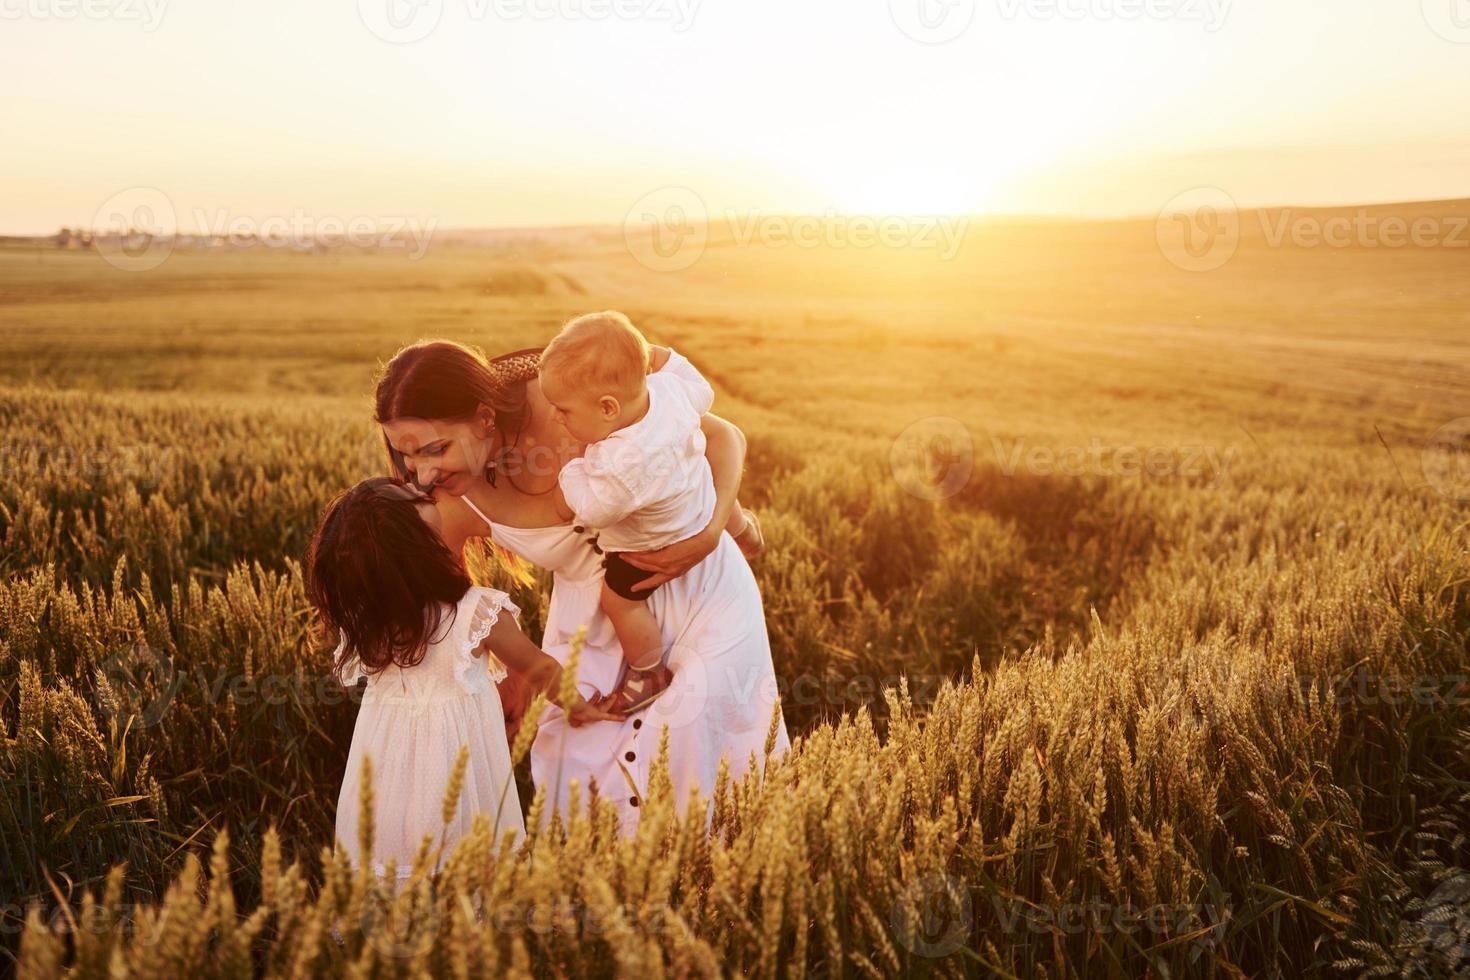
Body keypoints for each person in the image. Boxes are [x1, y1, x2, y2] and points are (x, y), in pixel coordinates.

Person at [374, 338, 788, 836]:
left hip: (702, 591)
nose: (422, 472)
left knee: (708, 773)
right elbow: (456, 605)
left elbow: (722, 437)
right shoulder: (446, 500)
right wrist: (522, 669)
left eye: (436, 449)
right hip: (588, 629)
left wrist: (713, 531)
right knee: (585, 791)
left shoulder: (570, 391)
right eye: (407, 455)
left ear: (485, 417)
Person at [306, 477, 617, 880]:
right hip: (457, 767)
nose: (429, 492)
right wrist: (582, 706)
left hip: (385, 770)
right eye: (418, 499)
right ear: (416, 541)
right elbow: (538, 667)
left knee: (393, 850)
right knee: (461, 852)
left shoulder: (370, 625)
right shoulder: (474, 612)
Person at [538, 310, 759, 714]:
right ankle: (743, 531)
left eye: (563, 410)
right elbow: (694, 380)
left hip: (658, 542)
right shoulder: (671, 391)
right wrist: (649, 355)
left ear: (607, 408)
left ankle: (648, 672)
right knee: (704, 470)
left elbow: (593, 511)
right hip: (698, 499)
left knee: (618, 600)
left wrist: (571, 471)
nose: (555, 416)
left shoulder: (619, 463)